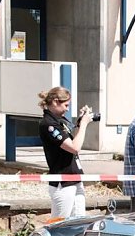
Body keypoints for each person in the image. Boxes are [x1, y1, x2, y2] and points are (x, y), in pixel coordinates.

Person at [37, 86, 94, 220]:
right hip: (63, 183)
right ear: (56, 101)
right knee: (58, 225)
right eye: (66, 105)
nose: (67, 109)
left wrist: (80, 122)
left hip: (75, 178)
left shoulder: (59, 121)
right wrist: (84, 125)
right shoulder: (49, 124)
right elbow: (74, 147)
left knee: (78, 223)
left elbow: (73, 140)